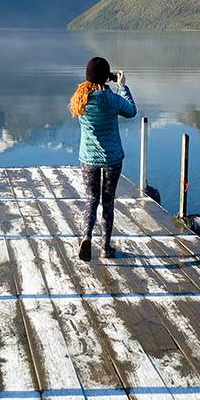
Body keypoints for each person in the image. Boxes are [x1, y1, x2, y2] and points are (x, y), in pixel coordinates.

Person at [68, 56, 136, 261]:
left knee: (91, 199)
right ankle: (106, 248)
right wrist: (122, 86)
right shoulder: (111, 98)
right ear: (107, 77)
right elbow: (131, 111)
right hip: (112, 159)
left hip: (88, 159)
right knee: (107, 202)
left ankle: (86, 236)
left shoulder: (80, 97)